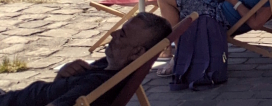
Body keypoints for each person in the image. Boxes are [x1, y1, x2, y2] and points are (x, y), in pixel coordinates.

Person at [0, 12, 172, 106]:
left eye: (122, 34)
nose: (113, 33)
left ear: (137, 53)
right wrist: (62, 78)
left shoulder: (97, 84)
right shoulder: (113, 68)